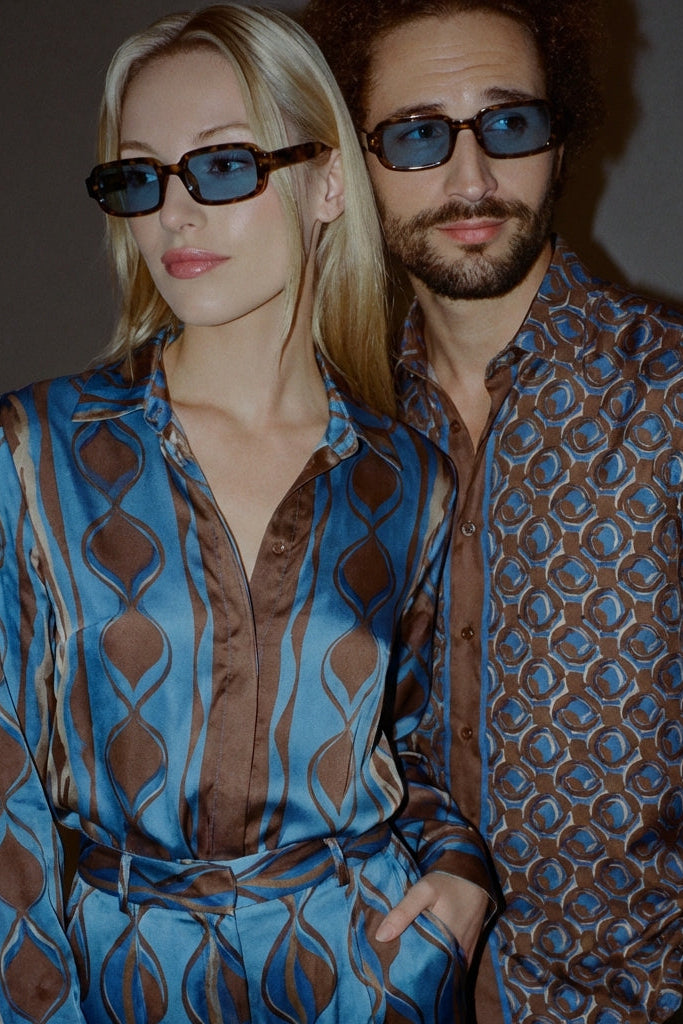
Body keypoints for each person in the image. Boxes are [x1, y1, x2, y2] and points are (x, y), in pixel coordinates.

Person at [0, 5, 499, 1021]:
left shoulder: (407, 479)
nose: (171, 218)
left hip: (358, 978)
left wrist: (455, 881)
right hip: (112, 984)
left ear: (324, 183)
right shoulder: (34, 453)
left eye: (221, 166)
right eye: (139, 178)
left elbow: (411, 742)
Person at [300, 1, 683, 1022]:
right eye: (419, 134)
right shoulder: (335, 436)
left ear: (559, 142)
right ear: (355, 162)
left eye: (506, 124)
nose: (469, 180)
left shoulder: (672, 404)